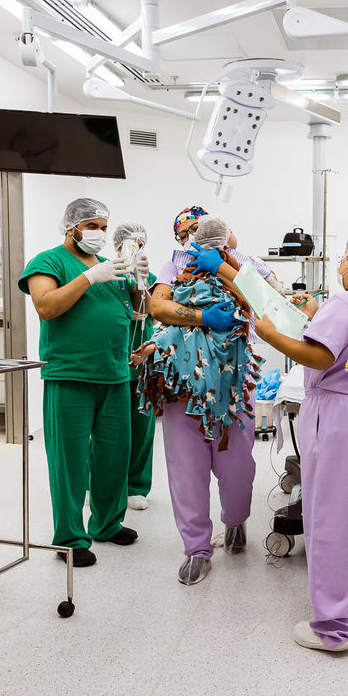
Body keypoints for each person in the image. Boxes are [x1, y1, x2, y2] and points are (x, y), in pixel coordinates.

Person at [255, 228, 348, 653]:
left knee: (332, 519)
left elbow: (319, 356)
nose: (338, 264)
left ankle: (332, 626)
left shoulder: (346, 301)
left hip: (341, 416)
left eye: (341, 258)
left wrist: (270, 335)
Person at [18, 198, 150, 567]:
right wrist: (89, 277)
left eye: (104, 227)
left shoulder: (112, 266)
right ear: (71, 227)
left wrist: (139, 279)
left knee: (113, 457)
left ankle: (107, 523)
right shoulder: (49, 262)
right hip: (70, 375)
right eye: (92, 226)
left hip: (115, 373)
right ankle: (70, 538)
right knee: (70, 461)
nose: (100, 234)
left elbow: (141, 313)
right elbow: (46, 306)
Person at [144, 216, 259, 585]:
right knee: (186, 469)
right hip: (184, 383)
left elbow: (267, 301)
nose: (196, 236)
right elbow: (158, 308)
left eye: (201, 228)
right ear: (179, 237)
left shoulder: (241, 264)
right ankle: (196, 548)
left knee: (237, 468)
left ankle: (235, 518)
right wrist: (203, 318)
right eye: (187, 231)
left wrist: (227, 270)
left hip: (234, 382)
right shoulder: (172, 266)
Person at [108, 221, 156, 511]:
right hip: (113, 356)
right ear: (117, 245)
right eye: (130, 243)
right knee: (107, 429)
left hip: (143, 361)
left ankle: (136, 486)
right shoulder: (107, 274)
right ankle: (97, 483)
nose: (135, 248)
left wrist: (142, 283)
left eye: (140, 244)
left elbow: (150, 310)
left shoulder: (147, 276)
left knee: (141, 426)